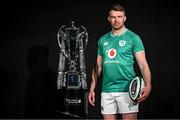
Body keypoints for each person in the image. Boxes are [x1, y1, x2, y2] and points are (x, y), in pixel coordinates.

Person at [88, 3, 151, 120]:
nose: (116, 20)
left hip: (128, 90)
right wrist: (92, 88)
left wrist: (148, 85)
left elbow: (143, 64)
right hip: (107, 91)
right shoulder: (102, 40)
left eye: (119, 16)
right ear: (109, 19)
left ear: (125, 18)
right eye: (113, 17)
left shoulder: (133, 38)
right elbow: (98, 66)